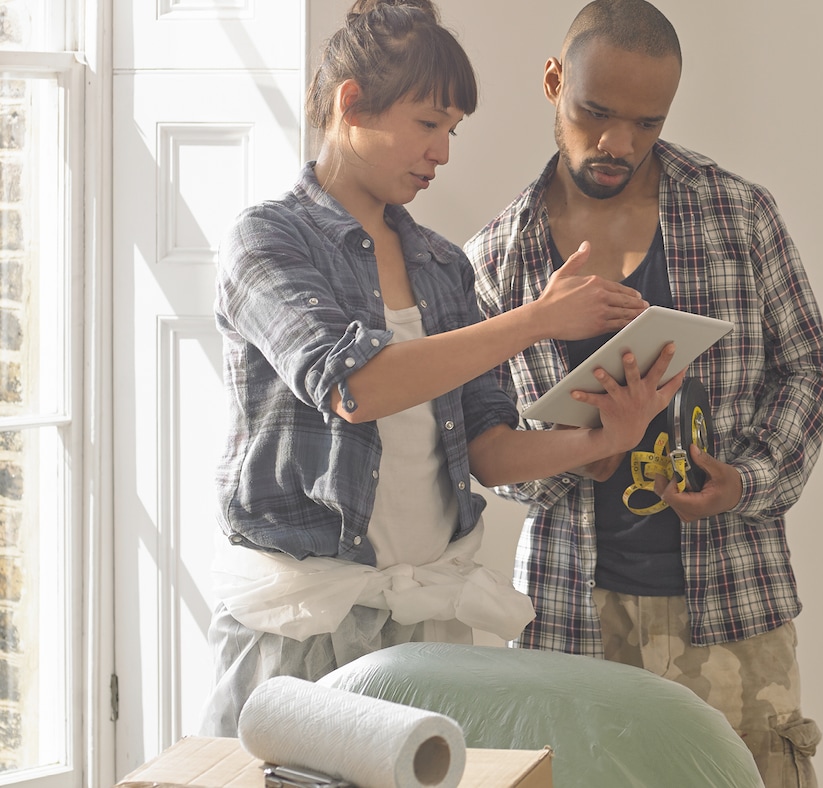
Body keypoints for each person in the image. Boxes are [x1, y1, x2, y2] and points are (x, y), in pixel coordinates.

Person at [200, 0, 684, 736]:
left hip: (427, 629)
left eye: (453, 129)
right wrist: (536, 321)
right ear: (350, 104)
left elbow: (489, 448)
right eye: (429, 124)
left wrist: (601, 440)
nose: (444, 152)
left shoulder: (441, 265)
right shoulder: (266, 240)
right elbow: (353, 386)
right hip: (300, 625)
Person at [465, 1, 823, 783]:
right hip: (569, 615)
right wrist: (590, 454)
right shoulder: (498, 259)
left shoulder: (739, 214)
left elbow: (808, 367)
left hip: (734, 604)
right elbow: (490, 450)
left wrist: (747, 481)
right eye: (595, 114)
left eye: (646, 124)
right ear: (552, 80)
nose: (618, 145)